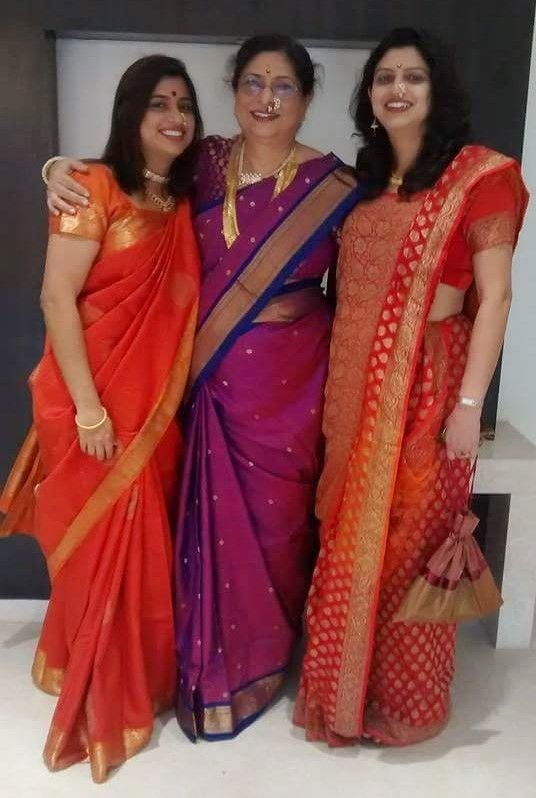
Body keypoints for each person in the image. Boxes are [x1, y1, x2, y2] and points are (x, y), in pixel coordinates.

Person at [45, 34, 364, 740]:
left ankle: (263, 655)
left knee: (278, 526)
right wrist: (59, 168)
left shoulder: (336, 187)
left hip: (291, 384)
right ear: (234, 91)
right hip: (202, 379)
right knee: (203, 520)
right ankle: (198, 660)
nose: (266, 99)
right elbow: (131, 182)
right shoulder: (205, 162)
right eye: (253, 83)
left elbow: (356, 292)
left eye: (284, 86)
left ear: (307, 97)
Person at [294, 27, 528, 748]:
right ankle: (341, 696)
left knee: (408, 544)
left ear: (438, 90)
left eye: (414, 77)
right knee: (347, 542)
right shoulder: (360, 186)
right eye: (385, 77)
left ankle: (404, 703)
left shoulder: (479, 177)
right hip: (353, 392)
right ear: (369, 95)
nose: (397, 89)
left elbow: (496, 298)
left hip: (428, 388)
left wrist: (469, 406)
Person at [0, 55, 201, 781]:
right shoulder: (93, 187)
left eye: (184, 104)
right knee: (98, 545)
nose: (174, 116)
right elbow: (57, 298)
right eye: (158, 103)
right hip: (91, 405)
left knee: (142, 543)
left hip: (153, 409)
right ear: (130, 112)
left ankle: (135, 671)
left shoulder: (184, 201)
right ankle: (91, 675)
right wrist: (89, 410)